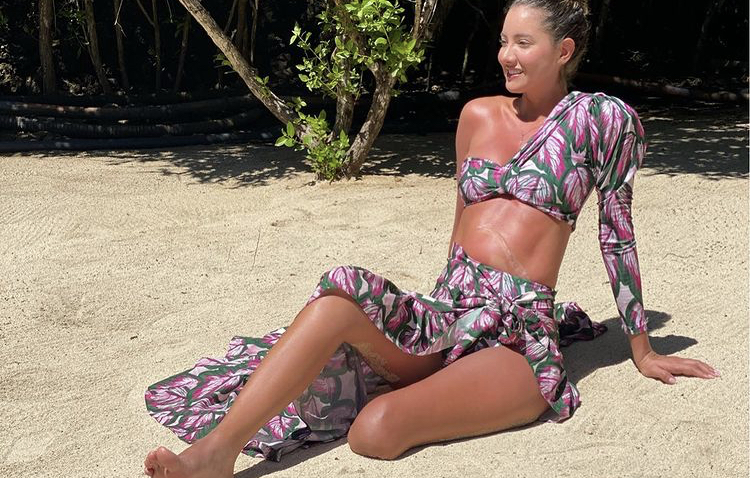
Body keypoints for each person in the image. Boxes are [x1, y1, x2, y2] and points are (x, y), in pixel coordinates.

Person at [143, 1, 719, 476]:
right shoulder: (478, 115)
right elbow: (462, 221)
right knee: (338, 298)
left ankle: (420, 389)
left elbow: (616, 232)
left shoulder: (603, 121)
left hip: (516, 337)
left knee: (374, 432)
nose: (506, 55)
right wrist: (433, 316)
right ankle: (214, 456)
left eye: (523, 43)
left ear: (563, 50)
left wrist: (642, 349)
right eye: (503, 41)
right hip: (453, 308)